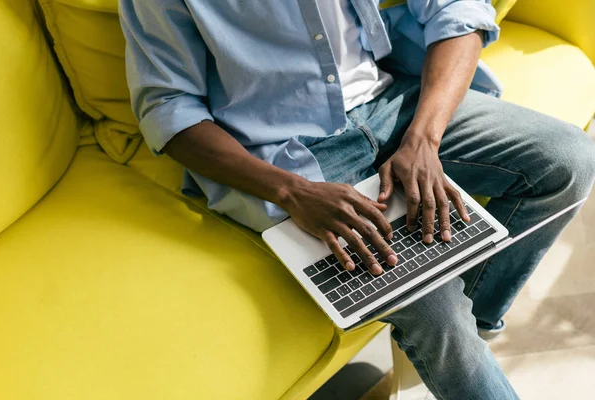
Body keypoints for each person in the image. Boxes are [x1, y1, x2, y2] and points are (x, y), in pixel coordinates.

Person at [119, 1, 595, 398]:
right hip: (295, 158)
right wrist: (291, 190)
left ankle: (469, 335)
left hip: (394, 102)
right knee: (434, 309)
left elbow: (456, 10)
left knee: (569, 160)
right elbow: (167, 106)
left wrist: (423, 139)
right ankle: (451, 344)